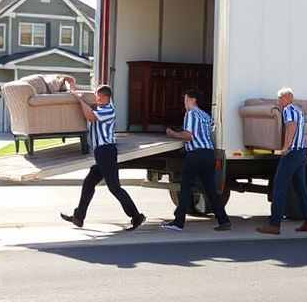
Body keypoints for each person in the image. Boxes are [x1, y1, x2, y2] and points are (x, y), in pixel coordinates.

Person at [60, 84, 146, 230]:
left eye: (98, 96)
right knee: (88, 183)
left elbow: (90, 116)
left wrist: (80, 99)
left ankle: (136, 216)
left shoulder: (108, 110)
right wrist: (75, 90)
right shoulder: (100, 107)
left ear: (105, 97)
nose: (96, 98)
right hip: (101, 153)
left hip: (106, 152)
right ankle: (79, 217)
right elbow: (90, 107)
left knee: (114, 188)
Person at [161, 88, 231, 232]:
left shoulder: (191, 113)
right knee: (210, 189)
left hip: (195, 155)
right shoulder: (205, 115)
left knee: (186, 187)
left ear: (193, 100)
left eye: (186, 100)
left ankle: (178, 222)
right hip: (208, 153)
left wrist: (172, 133)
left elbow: (189, 136)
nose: (184, 103)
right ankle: (223, 220)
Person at [257, 87, 307, 235]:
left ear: (289, 97)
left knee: (279, 187)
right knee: (300, 188)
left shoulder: (288, 110)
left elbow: (291, 127)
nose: (279, 101)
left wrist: (285, 147)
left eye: (280, 98)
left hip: (292, 153)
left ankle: (274, 224)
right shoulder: (298, 110)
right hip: (302, 152)